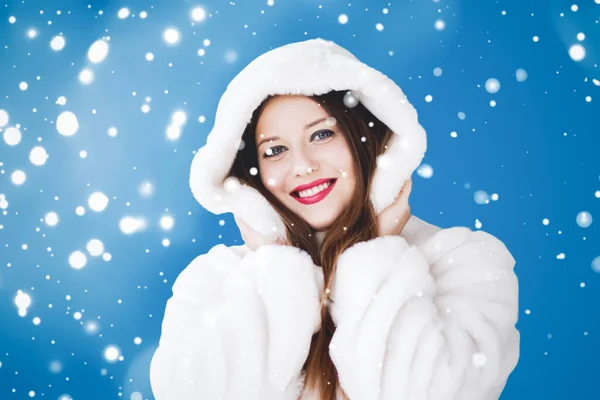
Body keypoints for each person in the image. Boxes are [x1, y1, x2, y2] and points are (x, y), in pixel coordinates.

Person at [149, 38, 520, 400]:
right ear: (253, 174)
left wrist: (373, 255)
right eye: (275, 150)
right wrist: (275, 271)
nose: (303, 165)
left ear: (365, 139)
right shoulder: (214, 280)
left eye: (322, 134)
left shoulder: (465, 261)